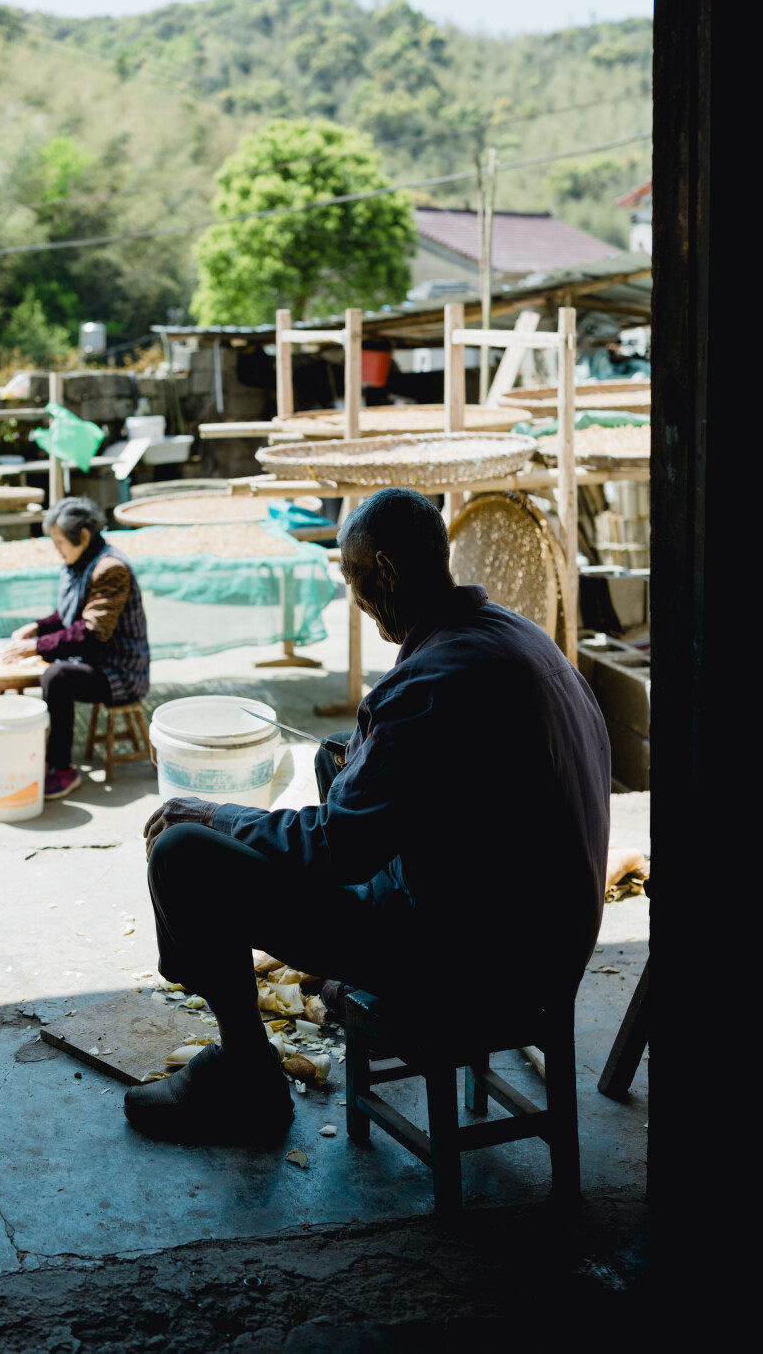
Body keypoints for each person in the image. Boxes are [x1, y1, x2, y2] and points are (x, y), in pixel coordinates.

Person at [123, 487, 610, 1144]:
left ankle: (246, 1076)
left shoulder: (426, 688)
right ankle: (303, 984)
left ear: (381, 572)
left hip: (477, 963)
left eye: (350, 575)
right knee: (334, 770)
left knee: (183, 853)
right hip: (548, 942)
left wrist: (217, 813)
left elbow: (338, 850)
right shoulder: (519, 636)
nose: (351, 591)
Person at [0, 496, 149, 800]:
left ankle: (62, 769)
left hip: (119, 671)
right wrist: (37, 628)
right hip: (91, 660)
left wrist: (36, 646)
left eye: (58, 540)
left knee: (57, 676)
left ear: (82, 536)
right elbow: (69, 617)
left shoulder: (111, 568)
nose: (56, 547)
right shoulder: (78, 562)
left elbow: (91, 632)